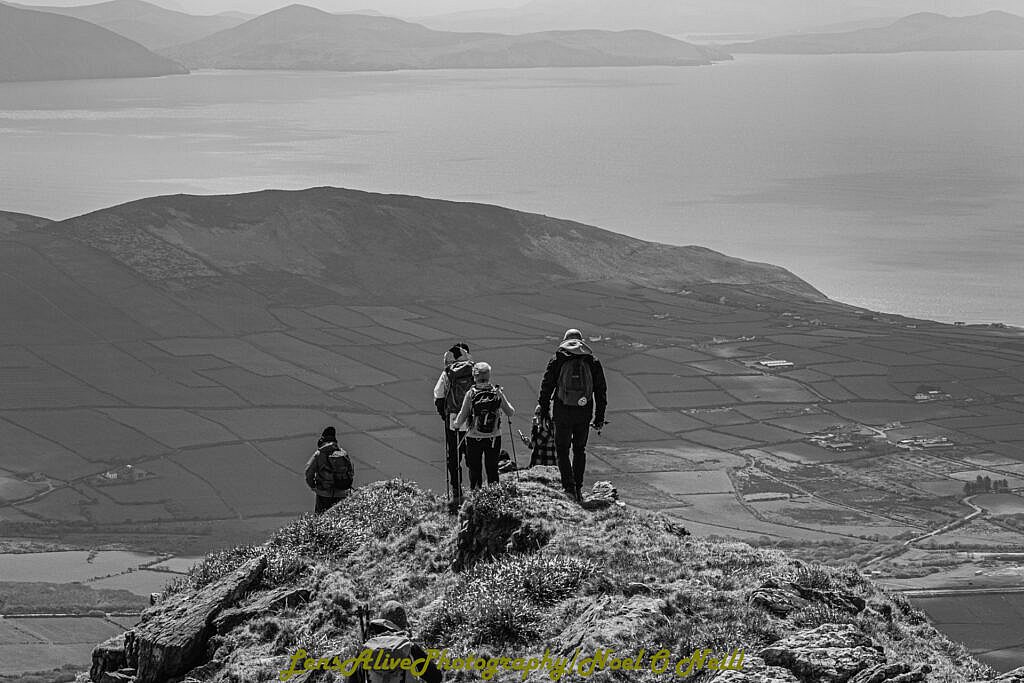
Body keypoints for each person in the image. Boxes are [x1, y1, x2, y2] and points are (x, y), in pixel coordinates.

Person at [537, 329, 608, 502]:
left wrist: (544, 412)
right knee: (579, 449)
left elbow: (546, 387)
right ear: (582, 342)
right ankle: (578, 487)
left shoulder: (557, 360)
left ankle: (568, 488)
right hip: (584, 411)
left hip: (562, 411)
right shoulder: (592, 361)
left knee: (562, 450)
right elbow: (601, 392)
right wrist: (599, 417)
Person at [455, 362, 515, 489]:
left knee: (475, 470)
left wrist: (455, 424)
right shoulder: (496, 392)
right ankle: (494, 497)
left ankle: (476, 497)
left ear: (474, 376)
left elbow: (462, 416)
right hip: (494, 437)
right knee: (492, 469)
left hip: (473, 437)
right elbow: (510, 412)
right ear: (489, 375)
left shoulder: (471, 394)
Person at [433, 343, 473, 512]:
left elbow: (438, 395)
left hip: (453, 420)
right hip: (472, 420)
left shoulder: (447, 373)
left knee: (454, 456)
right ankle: (475, 488)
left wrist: (445, 415)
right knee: (472, 454)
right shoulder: (474, 370)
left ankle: (456, 490)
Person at [304, 426, 354, 514]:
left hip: (324, 493)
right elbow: (351, 470)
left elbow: (308, 472)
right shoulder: (343, 453)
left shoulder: (319, 454)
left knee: (320, 518)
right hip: (341, 492)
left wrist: (313, 486)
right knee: (338, 517)